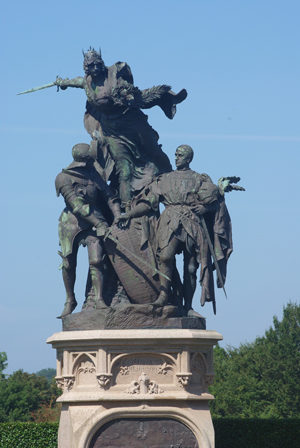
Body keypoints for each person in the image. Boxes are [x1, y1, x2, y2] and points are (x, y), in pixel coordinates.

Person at [55, 48, 187, 209]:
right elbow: (75, 82)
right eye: (91, 65)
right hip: (112, 130)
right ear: (86, 67)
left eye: (97, 64)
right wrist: (63, 83)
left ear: (101, 64)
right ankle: (127, 210)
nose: (95, 68)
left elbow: (136, 95)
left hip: (132, 122)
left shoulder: (114, 78)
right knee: (123, 170)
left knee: (154, 153)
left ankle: (171, 185)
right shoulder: (86, 82)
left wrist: (130, 98)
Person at [117, 145, 235, 315]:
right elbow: (148, 202)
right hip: (169, 220)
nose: (176, 158)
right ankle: (164, 295)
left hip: (192, 223)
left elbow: (216, 204)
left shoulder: (200, 179)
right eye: (176, 155)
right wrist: (128, 215)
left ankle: (188, 306)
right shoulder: (164, 179)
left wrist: (205, 208)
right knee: (165, 257)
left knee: (191, 267)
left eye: (180, 155)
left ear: (189, 158)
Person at [55, 142, 121, 318]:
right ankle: (70, 300)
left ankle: (99, 299)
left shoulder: (93, 175)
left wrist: (117, 214)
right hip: (71, 224)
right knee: (68, 263)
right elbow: (76, 205)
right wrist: (98, 223)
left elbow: (109, 195)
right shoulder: (63, 178)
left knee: (96, 260)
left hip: (93, 222)